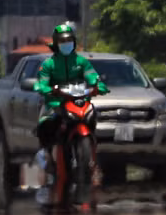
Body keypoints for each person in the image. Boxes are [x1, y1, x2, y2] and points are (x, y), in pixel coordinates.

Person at [33, 23, 109, 198]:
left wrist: (98, 85)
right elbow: (42, 82)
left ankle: (93, 161)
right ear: (56, 43)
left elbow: (92, 76)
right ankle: (47, 154)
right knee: (45, 125)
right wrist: (46, 89)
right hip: (56, 104)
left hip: (79, 102)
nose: (66, 43)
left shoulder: (81, 62)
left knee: (92, 116)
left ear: (74, 42)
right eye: (62, 41)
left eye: (69, 40)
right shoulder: (48, 65)